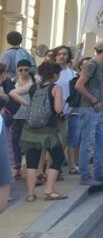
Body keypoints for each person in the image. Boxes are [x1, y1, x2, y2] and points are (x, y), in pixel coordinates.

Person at [13, 61, 68, 201]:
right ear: (55, 74)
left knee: (32, 161)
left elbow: (13, 92)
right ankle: (49, 191)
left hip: (30, 130)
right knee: (58, 157)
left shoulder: (32, 86)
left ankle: (30, 194)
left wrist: (27, 104)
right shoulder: (56, 88)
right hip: (48, 130)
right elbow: (58, 109)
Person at [74, 41, 103, 185]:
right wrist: (93, 100)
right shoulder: (92, 64)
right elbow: (79, 85)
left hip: (96, 108)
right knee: (87, 142)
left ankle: (98, 172)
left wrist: (100, 101)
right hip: (89, 108)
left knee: (102, 140)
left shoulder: (97, 65)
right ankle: (85, 175)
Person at [53, 46, 80, 174]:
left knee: (73, 139)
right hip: (55, 111)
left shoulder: (73, 74)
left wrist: (69, 109)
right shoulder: (50, 73)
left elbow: (75, 93)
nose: (62, 56)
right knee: (57, 140)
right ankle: (54, 166)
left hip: (72, 110)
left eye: (64, 54)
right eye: (59, 54)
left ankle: (73, 164)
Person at [10, 59, 36, 184]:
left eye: (26, 69)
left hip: (29, 116)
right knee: (14, 141)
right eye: (21, 70)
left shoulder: (34, 81)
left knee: (28, 142)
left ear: (30, 69)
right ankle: (17, 166)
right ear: (17, 70)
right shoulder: (13, 81)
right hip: (15, 116)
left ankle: (30, 168)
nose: (24, 72)